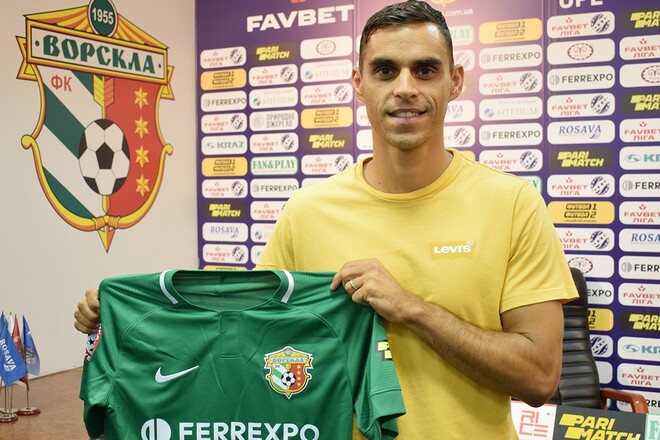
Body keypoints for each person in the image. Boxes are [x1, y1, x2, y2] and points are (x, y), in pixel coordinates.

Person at [75, 1, 578, 438]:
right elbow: (245, 341)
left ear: (456, 81)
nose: (405, 88)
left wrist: (413, 309)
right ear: (359, 83)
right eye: (385, 70)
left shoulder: (512, 203)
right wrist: (126, 318)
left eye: (425, 70)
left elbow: (538, 379)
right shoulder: (307, 211)